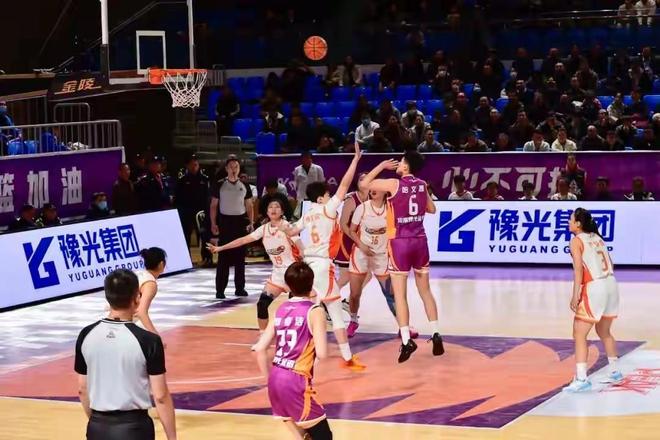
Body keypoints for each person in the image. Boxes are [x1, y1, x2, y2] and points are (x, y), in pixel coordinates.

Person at [280, 145, 366, 371]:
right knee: (334, 313)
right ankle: (338, 357)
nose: (331, 197)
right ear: (320, 199)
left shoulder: (307, 214)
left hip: (308, 265)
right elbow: (345, 185)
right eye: (328, 195)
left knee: (313, 311)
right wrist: (355, 160)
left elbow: (291, 232)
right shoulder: (326, 209)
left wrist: (281, 225)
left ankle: (301, 353)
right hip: (321, 266)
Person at [362, 151, 444, 363]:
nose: (398, 164)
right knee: (425, 291)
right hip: (420, 241)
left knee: (400, 296)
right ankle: (436, 333)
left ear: (406, 167)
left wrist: (382, 165)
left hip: (400, 242)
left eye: (401, 162)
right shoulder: (422, 184)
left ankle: (407, 340)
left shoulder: (393, 184)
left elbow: (365, 184)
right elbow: (432, 209)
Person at [75, 269, 176, 440]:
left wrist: (96, 422)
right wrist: (172, 438)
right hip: (134, 428)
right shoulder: (149, 340)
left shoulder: (86, 335)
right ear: (137, 298)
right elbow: (160, 396)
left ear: (107, 297)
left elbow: (82, 389)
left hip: (97, 426)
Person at [253, 262, 332, 440]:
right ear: (312, 284)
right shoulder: (315, 311)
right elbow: (322, 354)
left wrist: (269, 379)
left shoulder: (280, 309)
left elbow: (260, 348)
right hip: (296, 380)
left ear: (287, 286)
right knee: (324, 436)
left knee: (303, 436)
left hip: (276, 378)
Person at [207, 198, 302, 337]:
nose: (273, 209)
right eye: (270, 207)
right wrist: (220, 248)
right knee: (262, 304)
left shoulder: (288, 227)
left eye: (277, 207)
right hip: (277, 274)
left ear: (282, 211)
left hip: (294, 274)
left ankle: (299, 336)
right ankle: (263, 336)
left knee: (295, 308)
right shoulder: (264, 229)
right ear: (267, 211)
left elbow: (301, 248)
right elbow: (243, 240)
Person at [346, 188, 419, 340]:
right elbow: (352, 231)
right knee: (354, 293)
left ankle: (403, 327)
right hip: (361, 253)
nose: (373, 191)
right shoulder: (362, 208)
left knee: (390, 294)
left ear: (385, 192)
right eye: (372, 188)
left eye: (377, 189)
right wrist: (362, 245)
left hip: (381, 255)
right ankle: (353, 320)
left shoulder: (391, 209)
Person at [563, 208, 622, 392]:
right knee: (604, 331)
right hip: (611, 283)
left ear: (578, 224)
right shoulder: (597, 237)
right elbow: (611, 263)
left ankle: (581, 379)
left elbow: (578, 270)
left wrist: (575, 294)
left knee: (579, 333)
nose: (568, 222)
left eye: (571, 220)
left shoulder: (576, 240)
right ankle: (615, 371)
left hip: (595, 286)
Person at [210, 157, 255, 299]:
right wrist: (213, 223)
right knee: (223, 256)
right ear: (226, 169)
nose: (234, 169)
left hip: (240, 222)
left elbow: (249, 205)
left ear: (239, 169)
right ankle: (220, 290)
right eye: (231, 167)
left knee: (240, 257)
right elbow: (213, 205)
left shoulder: (245, 185)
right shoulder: (220, 184)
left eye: (236, 167)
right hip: (225, 222)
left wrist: (251, 222)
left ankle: (240, 288)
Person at [335, 173, 369, 302]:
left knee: (367, 275)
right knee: (346, 277)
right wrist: (356, 240)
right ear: (357, 182)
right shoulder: (351, 199)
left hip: (362, 241)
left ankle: (349, 301)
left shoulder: (372, 198)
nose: (365, 181)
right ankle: (326, 300)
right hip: (348, 241)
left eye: (368, 178)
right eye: (361, 179)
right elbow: (343, 224)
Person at [176, 155, 211, 265]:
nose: (194, 167)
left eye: (196, 164)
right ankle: (186, 260)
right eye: (191, 164)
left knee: (204, 236)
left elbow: (208, 197)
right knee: (186, 236)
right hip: (186, 212)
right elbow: (178, 198)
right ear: (187, 166)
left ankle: (207, 258)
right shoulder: (182, 180)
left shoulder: (204, 179)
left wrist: (207, 211)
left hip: (201, 212)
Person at [134, 248, 167, 336]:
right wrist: (155, 336)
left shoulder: (138, 273)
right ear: (161, 264)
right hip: (121, 321)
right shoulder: (150, 284)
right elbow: (141, 312)